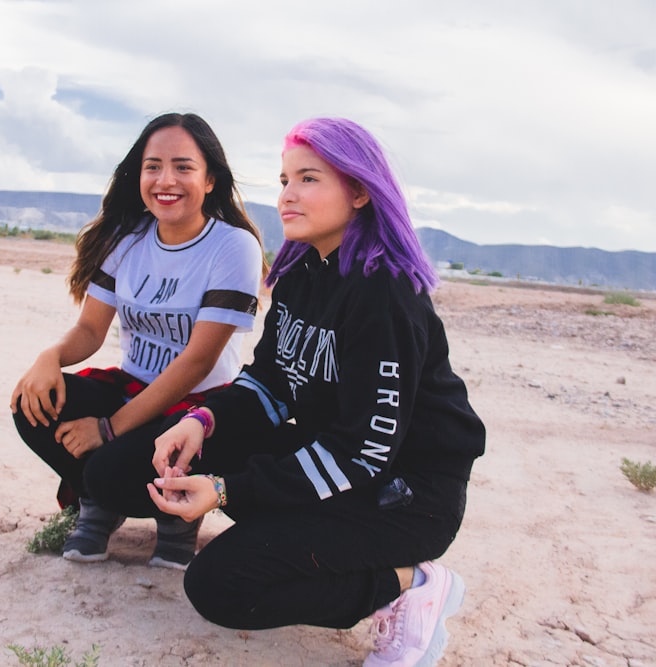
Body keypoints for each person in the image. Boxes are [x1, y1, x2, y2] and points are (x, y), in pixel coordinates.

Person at [84, 117, 485, 666]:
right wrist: (198, 422)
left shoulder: (383, 296)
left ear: (361, 191)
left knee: (220, 587)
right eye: (283, 180)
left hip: (403, 495)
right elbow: (269, 384)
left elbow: (360, 452)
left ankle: (410, 583)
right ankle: (300, 535)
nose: (286, 196)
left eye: (309, 179)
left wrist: (226, 492)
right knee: (128, 466)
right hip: (335, 464)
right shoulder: (302, 273)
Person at [11, 112, 265, 570]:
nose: (166, 179)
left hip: (199, 408)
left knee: (109, 466)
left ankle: (174, 517)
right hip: (133, 387)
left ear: (210, 181)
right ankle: (97, 501)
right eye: (153, 166)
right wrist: (48, 357)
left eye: (184, 167)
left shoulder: (233, 246)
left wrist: (107, 431)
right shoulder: (126, 238)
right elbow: (90, 331)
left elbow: (197, 361)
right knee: (31, 404)